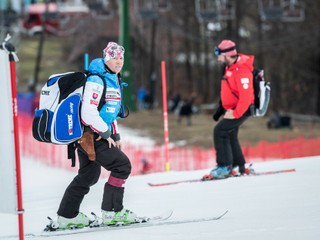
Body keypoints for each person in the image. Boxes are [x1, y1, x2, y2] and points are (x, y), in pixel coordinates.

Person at [55, 42, 136, 229]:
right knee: (122, 165)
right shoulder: (96, 80)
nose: (119, 61)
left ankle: (67, 216)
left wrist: (115, 135)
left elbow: (109, 112)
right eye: (115, 58)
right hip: (92, 135)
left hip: (95, 134)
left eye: (121, 58)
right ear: (107, 58)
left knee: (89, 174)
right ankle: (113, 213)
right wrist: (105, 133)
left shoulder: (112, 78)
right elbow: (88, 112)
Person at [203, 40, 254, 180]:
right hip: (233, 108)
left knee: (220, 131)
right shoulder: (230, 67)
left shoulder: (242, 71)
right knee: (230, 133)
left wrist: (236, 113)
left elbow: (246, 96)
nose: (218, 58)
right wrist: (221, 108)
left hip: (242, 109)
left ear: (227, 55)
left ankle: (224, 167)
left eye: (219, 55)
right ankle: (239, 166)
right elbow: (229, 90)